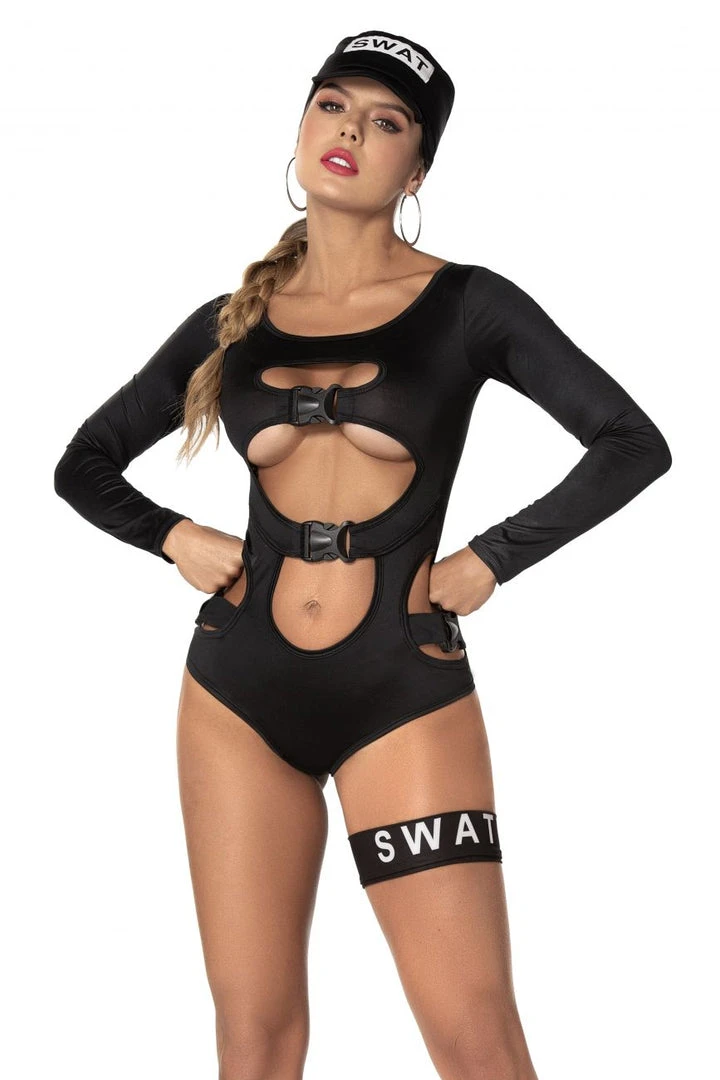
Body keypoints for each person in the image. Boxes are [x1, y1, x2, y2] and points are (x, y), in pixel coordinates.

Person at [54, 29, 671, 1080]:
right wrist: (172, 536)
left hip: (401, 691)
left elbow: (631, 443)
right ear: (302, 126)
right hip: (235, 695)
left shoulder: (472, 304)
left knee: (476, 1041)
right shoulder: (231, 323)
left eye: (386, 122)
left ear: (416, 170)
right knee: (253, 1043)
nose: (350, 130)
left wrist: (489, 560)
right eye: (333, 105)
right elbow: (84, 463)